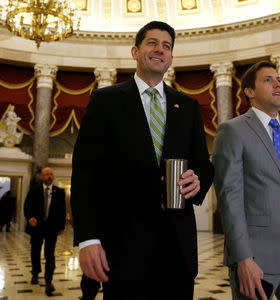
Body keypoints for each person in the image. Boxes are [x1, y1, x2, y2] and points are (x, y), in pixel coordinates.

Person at [71, 21, 214, 300]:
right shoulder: (105, 101)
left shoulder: (187, 106)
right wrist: (88, 238)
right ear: (135, 51)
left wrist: (198, 180)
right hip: (123, 245)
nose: (160, 49)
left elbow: (204, 164)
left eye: (167, 46)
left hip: (178, 246)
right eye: (152, 43)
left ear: (171, 57)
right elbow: (85, 173)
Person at [212, 61, 280, 300]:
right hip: (256, 251)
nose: (277, 84)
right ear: (249, 92)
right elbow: (230, 198)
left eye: (278, 80)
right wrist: (243, 258)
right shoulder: (232, 131)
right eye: (268, 80)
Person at [23, 167, 66, 296]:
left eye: (51, 174)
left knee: (50, 254)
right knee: (35, 251)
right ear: (42, 177)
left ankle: (49, 281)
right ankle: (35, 273)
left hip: (52, 228)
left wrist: (62, 226)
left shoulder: (59, 192)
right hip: (37, 226)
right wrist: (30, 217)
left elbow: (62, 210)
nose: (49, 176)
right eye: (46, 174)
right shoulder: (34, 191)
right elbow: (27, 206)